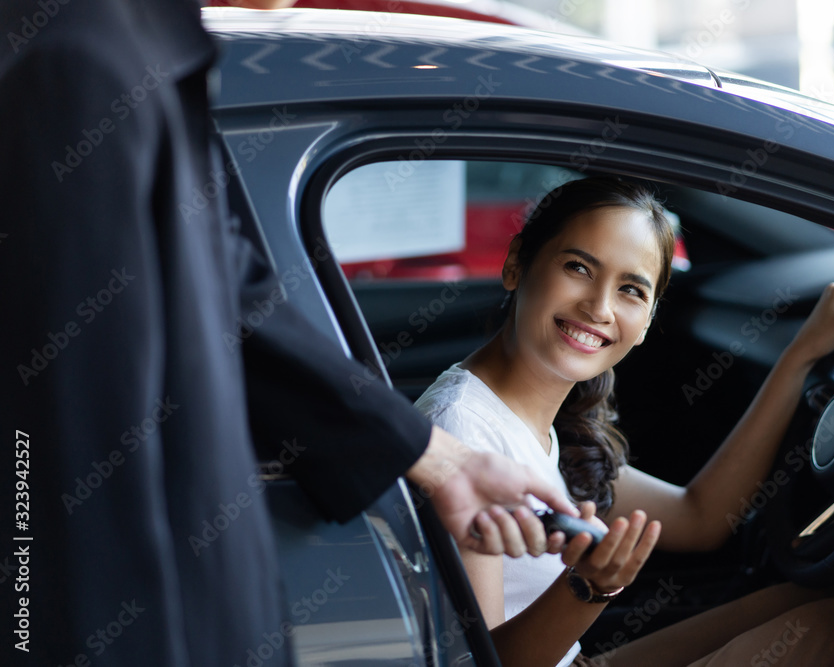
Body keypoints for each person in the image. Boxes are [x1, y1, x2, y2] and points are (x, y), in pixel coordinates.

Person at [0, 1, 574, 665]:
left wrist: (445, 462)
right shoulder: (75, 61)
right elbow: (73, 467)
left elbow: (235, 293)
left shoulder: (126, 46)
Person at [415, 177, 834, 666]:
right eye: (578, 267)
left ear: (648, 321)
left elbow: (701, 517)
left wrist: (800, 356)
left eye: (631, 290)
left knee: (803, 601)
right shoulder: (463, 431)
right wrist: (589, 587)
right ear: (516, 264)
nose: (599, 307)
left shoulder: (547, 424)